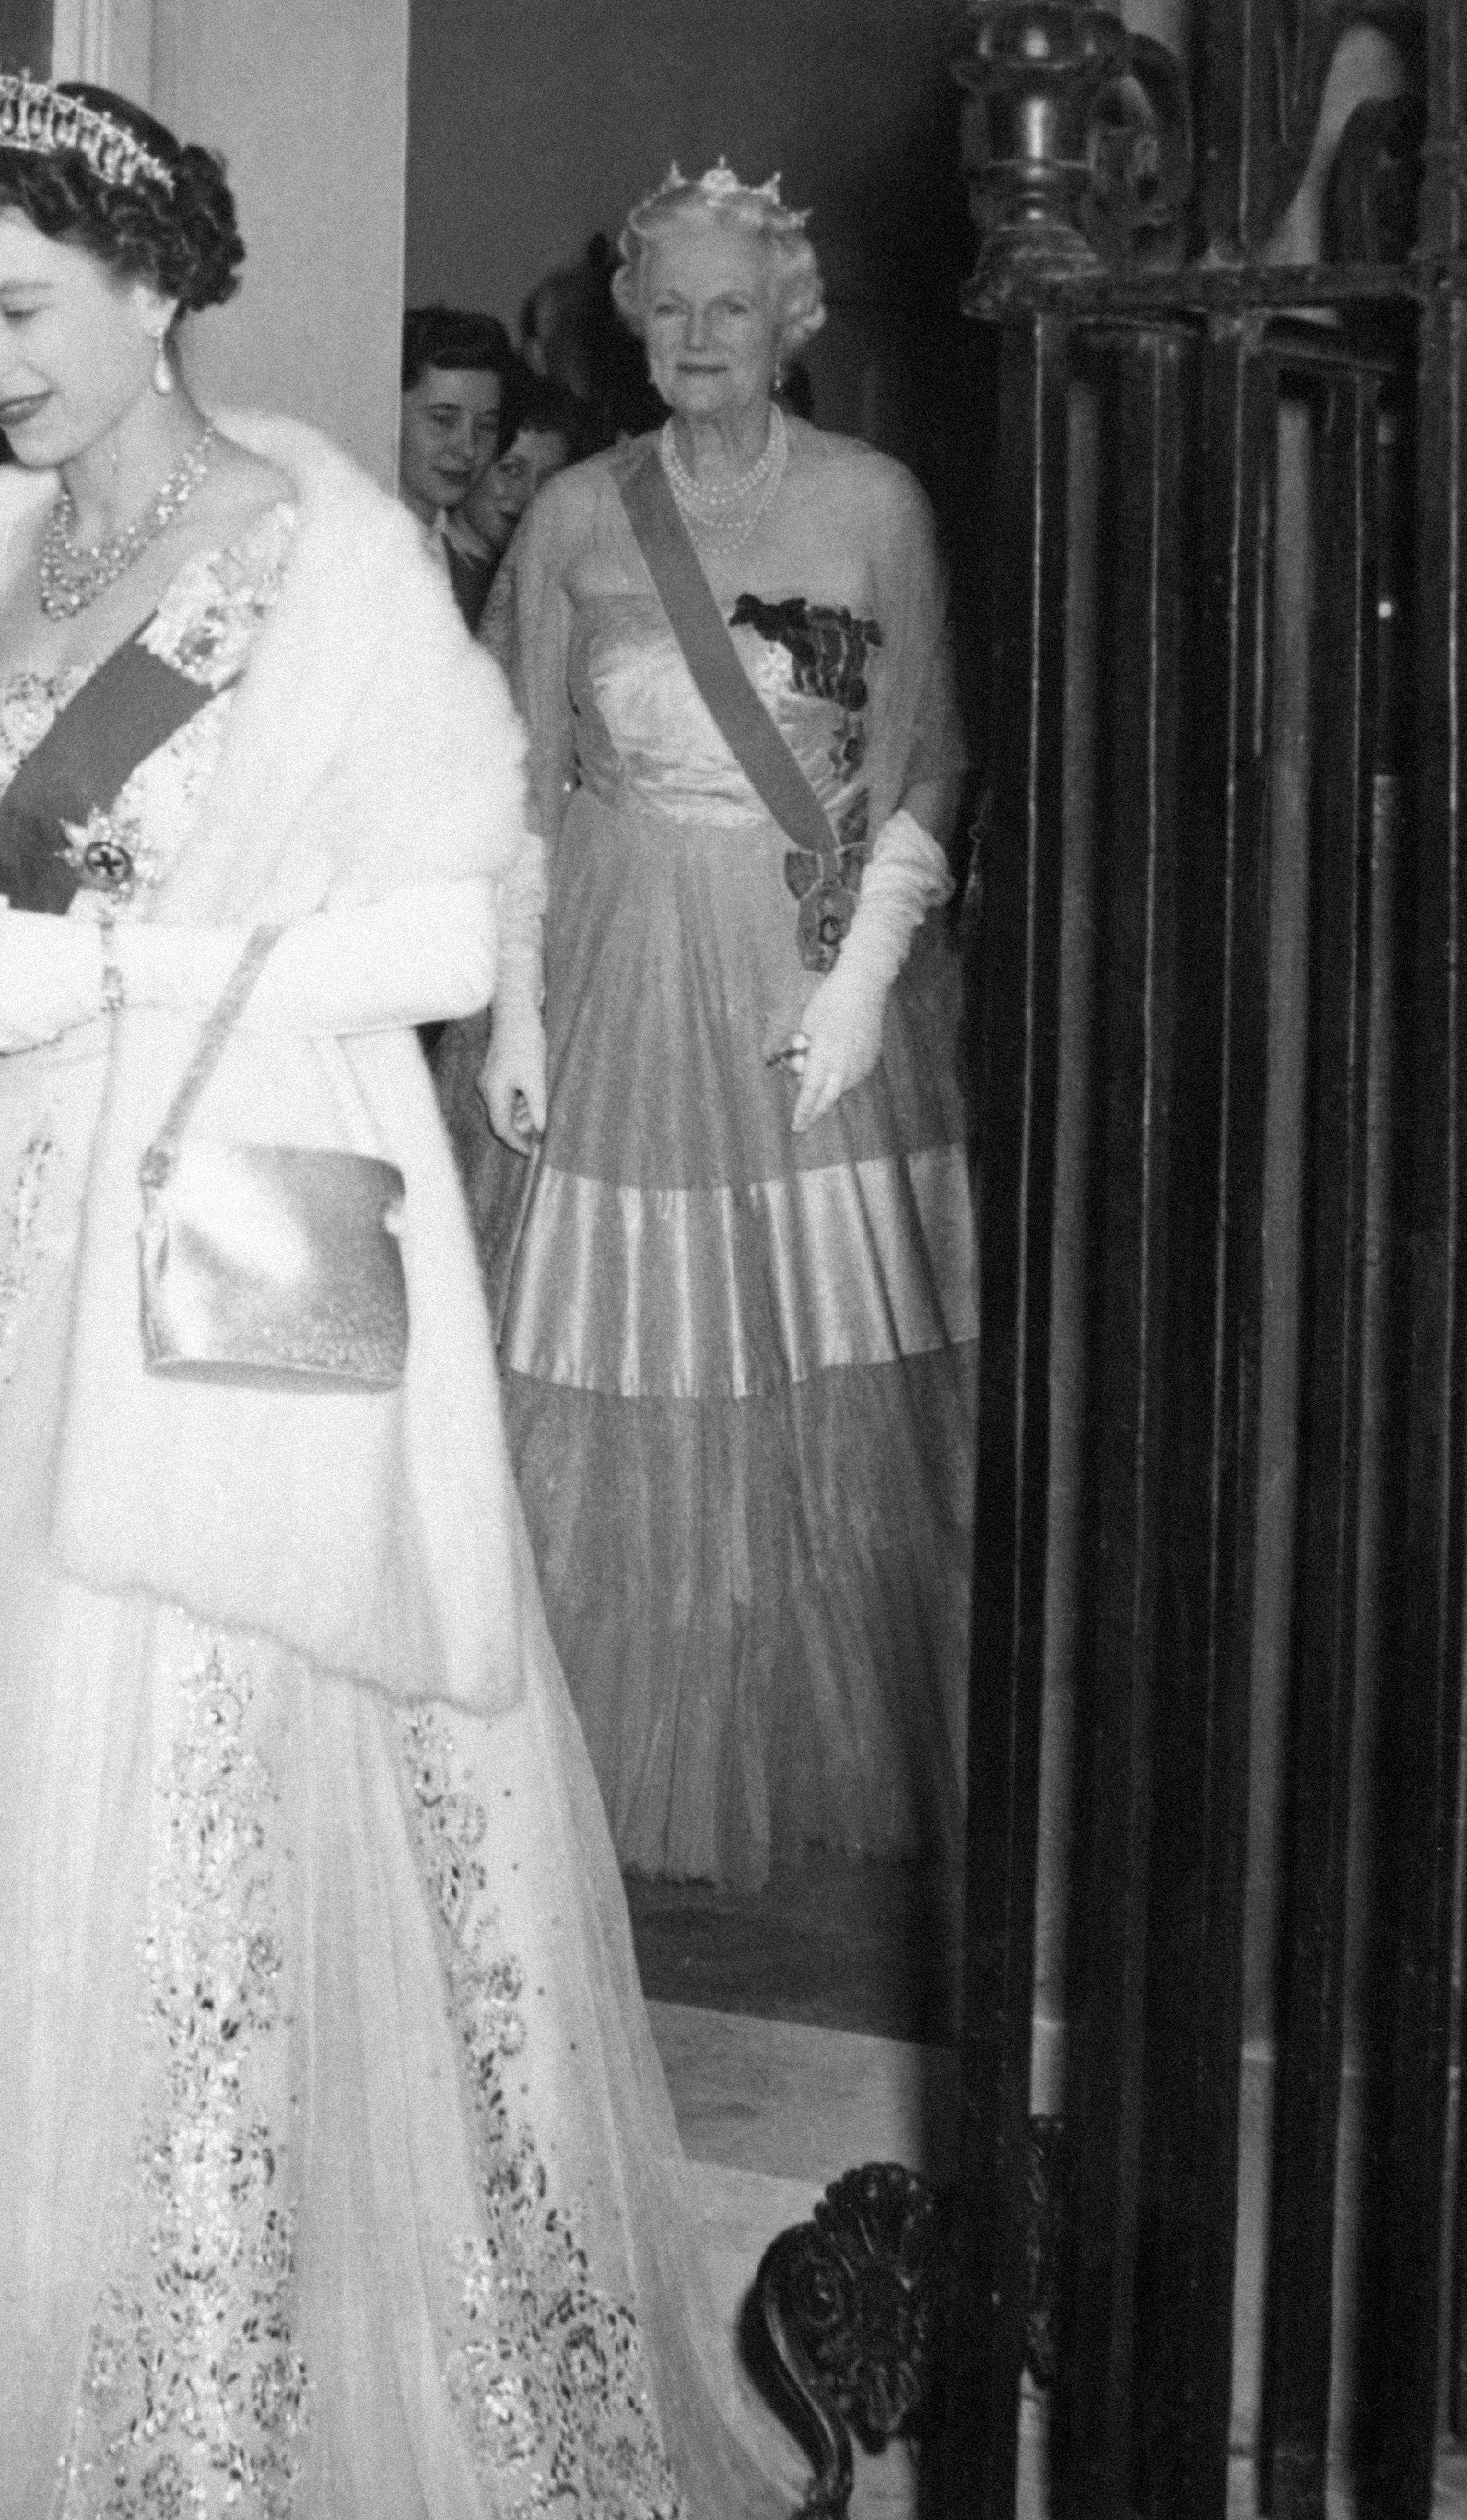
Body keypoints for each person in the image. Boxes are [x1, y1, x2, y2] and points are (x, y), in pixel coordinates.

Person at [0, 70, 792, 2520]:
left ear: (157, 284)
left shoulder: (328, 553)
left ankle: (163, 2514)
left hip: (229, 1254)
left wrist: (121, 980)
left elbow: (439, 921)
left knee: (174, 1837)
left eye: (26, 311)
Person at [459, 166, 972, 1894]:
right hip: (610, 969)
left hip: (803, 973)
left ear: (789, 324)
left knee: (811, 1364)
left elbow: (932, 757)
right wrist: (515, 1005)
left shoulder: (874, 502)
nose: (696, 336)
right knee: (619, 1357)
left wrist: (863, 973)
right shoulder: (578, 519)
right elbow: (505, 778)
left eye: (729, 307)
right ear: (630, 320)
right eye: (667, 305)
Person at [396, 303, 511, 626]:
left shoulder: (474, 577)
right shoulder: (350, 549)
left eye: (486, 425)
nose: (468, 448)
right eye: (443, 420)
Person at [458, 368, 582, 630]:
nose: (530, 495)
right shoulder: (438, 575)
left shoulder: (532, 577)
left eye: (548, 479)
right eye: (511, 469)